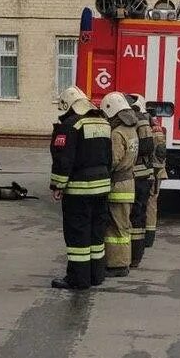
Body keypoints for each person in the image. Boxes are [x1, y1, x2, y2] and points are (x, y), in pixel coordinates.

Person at [49, 86, 112, 290]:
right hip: (102, 188)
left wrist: (58, 185)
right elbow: (109, 158)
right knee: (96, 233)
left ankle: (78, 279)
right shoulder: (103, 122)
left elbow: (63, 160)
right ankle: (96, 275)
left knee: (78, 235)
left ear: (68, 105)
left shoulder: (71, 125)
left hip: (79, 191)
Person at [101, 92, 139, 278]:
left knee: (115, 226)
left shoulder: (117, 133)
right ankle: (123, 262)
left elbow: (113, 160)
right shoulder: (131, 130)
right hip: (129, 183)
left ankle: (117, 265)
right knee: (124, 225)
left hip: (117, 185)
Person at [127, 95, 154, 268]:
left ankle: (134, 256)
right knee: (139, 216)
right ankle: (136, 255)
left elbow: (145, 148)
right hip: (143, 176)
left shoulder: (138, 121)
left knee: (135, 217)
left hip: (137, 176)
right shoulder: (144, 121)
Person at [146, 112, 168, 248]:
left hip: (152, 174)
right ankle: (149, 236)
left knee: (150, 204)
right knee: (151, 204)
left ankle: (148, 237)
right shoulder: (158, 132)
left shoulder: (151, 132)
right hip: (157, 173)